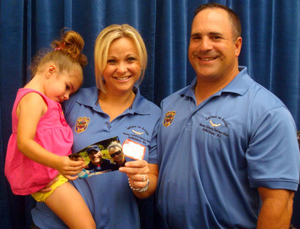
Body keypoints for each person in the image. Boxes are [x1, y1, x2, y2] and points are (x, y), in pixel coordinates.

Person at [155, 3, 300, 229]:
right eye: (196, 37)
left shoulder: (267, 113)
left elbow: (279, 203)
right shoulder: (170, 104)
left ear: (237, 45)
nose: (204, 46)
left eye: (215, 37)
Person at [31, 24, 161, 229]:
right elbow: (33, 134)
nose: (122, 68)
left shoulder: (154, 115)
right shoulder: (72, 99)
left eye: (130, 59)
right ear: (100, 65)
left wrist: (142, 182)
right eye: (111, 61)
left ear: (141, 62)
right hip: (53, 223)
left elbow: (150, 184)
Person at [5, 30, 96, 229]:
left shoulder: (44, 100)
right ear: (50, 71)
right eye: (67, 87)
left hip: (56, 174)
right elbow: (24, 142)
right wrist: (58, 163)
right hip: (51, 179)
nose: (66, 96)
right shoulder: (33, 99)